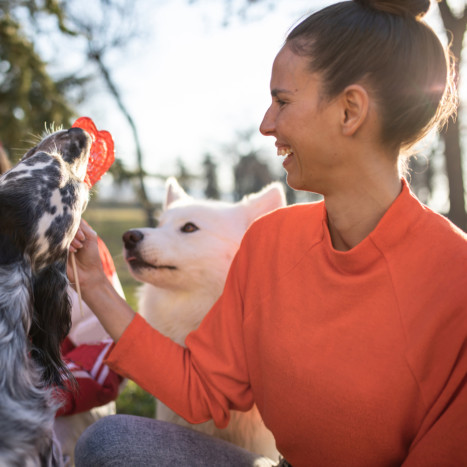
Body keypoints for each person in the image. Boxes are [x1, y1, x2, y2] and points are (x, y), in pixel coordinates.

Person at [69, 0, 467, 465]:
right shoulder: (269, 241)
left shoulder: (454, 279)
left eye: (282, 101)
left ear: (350, 111)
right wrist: (95, 283)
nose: (266, 124)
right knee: (110, 443)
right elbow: (199, 389)